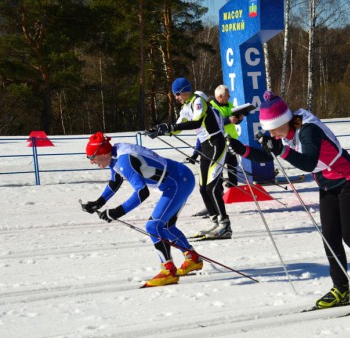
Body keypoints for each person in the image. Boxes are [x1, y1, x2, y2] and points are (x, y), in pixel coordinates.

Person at [226, 91, 350, 310]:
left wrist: (282, 150)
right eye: (270, 132)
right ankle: (341, 289)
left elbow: (308, 163)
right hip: (328, 185)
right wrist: (244, 150)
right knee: (330, 238)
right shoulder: (287, 129)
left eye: (274, 130)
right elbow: (269, 155)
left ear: (283, 121)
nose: (274, 135)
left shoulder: (308, 130)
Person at [81, 132, 203, 287]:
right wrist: (98, 203)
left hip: (178, 182)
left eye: (92, 158)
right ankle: (193, 259)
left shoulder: (124, 160)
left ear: (102, 153)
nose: (91, 162)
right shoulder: (115, 154)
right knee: (166, 226)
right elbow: (115, 180)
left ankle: (168, 271)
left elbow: (142, 192)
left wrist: (116, 212)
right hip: (178, 179)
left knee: (153, 226)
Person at [148, 77, 232, 239]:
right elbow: (177, 128)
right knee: (202, 188)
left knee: (212, 187)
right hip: (205, 147)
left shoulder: (197, 101)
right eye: (174, 94)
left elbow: (196, 122)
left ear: (186, 90)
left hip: (216, 143)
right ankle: (215, 222)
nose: (176, 97)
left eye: (178, 93)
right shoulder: (186, 106)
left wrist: (171, 127)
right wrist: (159, 130)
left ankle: (225, 225)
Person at [209, 84, 244, 188]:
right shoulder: (211, 106)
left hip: (231, 139)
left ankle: (233, 185)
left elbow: (234, 120)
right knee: (219, 164)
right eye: (227, 95)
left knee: (232, 163)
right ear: (220, 96)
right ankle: (218, 187)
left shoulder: (229, 104)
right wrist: (228, 120)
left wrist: (239, 118)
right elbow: (213, 123)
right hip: (219, 140)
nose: (229, 97)